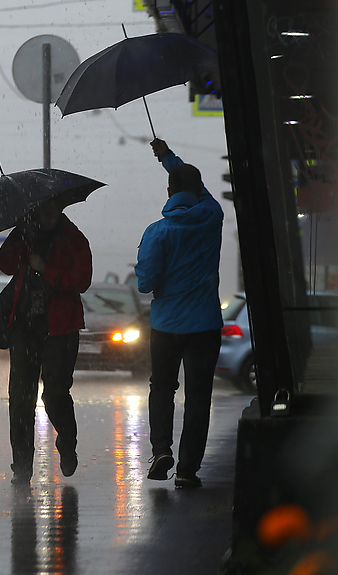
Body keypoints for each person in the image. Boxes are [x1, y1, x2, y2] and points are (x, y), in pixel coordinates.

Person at [135, 138, 224, 489]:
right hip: (204, 325)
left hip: (167, 326)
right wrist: (168, 158)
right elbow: (193, 186)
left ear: (168, 192)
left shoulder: (157, 233)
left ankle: (161, 451)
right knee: (199, 395)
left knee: (162, 388)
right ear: (199, 190)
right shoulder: (212, 216)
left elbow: (145, 284)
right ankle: (188, 469)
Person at [0, 199, 92, 486]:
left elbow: (82, 280)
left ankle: (67, 439)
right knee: (20, 399)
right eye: (41, 211)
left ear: (60, 210)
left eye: (51, 210)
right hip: (24, 327)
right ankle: (22, 467)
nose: (46, 216)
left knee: (55, 394)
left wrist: (46, 268)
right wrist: (20, 234)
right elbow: (4, 263)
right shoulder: (27, 232)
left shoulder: (74, 239)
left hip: (60, 328)